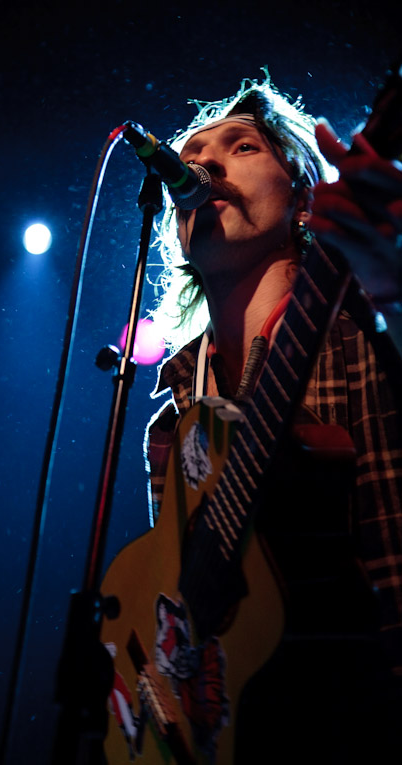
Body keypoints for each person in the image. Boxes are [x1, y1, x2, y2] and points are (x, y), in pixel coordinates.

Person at [144, 75, 402, 763]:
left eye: (243, 145)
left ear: (303, 196)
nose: (204, 166)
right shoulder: (172, 423)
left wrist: (394, 289)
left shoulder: (361, 340)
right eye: (193, 155)